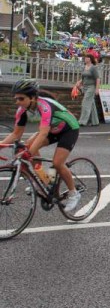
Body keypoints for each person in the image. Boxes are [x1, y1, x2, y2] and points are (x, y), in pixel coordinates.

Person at [0, 79, 81, 211]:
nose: (17, 102)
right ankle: (45, 180)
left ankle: (73, 193)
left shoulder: (45, 106)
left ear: (32, 97)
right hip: (52, 129)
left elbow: (43, 133)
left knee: (57, 163)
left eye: (21, 98)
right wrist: (2, 145)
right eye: (16, 98)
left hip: (69, 129)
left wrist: (29, 152)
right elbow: (16, 134)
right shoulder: (22, 110)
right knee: (28, 147)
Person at [76, 54, 100, 127]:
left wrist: (97, 89)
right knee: (91, 104)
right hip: (85, 87)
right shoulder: (84, 67)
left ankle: (82, 121)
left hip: (91, 87)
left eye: (86, 58)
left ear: (90, 59)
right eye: (85, 58)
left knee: (85, 103)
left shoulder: (93, 68)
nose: (85, 59)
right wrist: (79, 82)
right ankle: (95, 121)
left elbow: (98, 79)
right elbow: (83, 77)